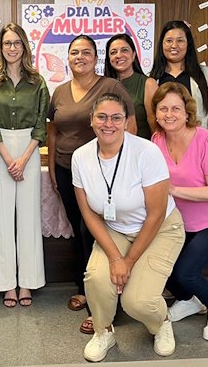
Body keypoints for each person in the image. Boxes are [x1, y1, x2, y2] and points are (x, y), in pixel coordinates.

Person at [73, 93, 185, 361]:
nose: (108, 123)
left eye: (116, 118)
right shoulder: (80, 157)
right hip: (116, 228)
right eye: (101, 117)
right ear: (91, 120)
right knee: (97, 279)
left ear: (126, 122)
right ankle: (103, 332)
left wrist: (128, 261)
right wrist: (115, 258)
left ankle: (161, 323)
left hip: (160, 229)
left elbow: (156, 215)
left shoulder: (146, 152)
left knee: (137, 302)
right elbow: (89, 214)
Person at [48, 34, 136, 335]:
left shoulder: (111, 87)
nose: (80, 57)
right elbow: (53, 131)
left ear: (96, 58)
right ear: (68, 58)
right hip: (66, 169)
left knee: (97, 229)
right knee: (80, 229)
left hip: (101, 172)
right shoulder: (59, 91)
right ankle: (86, 285)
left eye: (86, 52)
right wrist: (52, 168)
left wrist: (124, 169)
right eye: (74, 52)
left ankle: (106, 294)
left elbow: (130, 127)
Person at [151, 82, 208, 342]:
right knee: (160, 264)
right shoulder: (156, 140)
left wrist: (174, 190)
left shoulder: (206, 140)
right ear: (155, 112)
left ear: (188, 112)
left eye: (176, 108)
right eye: (163, 108)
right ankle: (188, 301)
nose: (169, 114)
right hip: (180, 222)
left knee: (185, 272)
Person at [0, 23, 49, 307]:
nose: (12, 48)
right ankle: (6, 283)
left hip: (29, 150)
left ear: (24, 46)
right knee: (0, 219)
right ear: (1, 47)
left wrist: (23, 158)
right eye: (7, 43)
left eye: (17, 43)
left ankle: (27, 282)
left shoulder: (38, 82)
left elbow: (41, 125)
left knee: (29, 218)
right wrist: (9, 159)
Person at [151, 21, 208, 142]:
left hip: (199, 144)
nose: (174, 45)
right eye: (169, 41)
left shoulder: (205, 74)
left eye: (180, 40)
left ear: (188, 44)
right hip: (164, 146)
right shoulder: (152, 79)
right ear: (162, 44)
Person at [104, 33, 158, 139]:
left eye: (124, 50)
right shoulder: (104, 85)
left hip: (141, 146)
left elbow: (155, 126)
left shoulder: (148, 84)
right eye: (113, 52)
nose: (119, 55)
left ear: (133, 55)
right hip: (110, 146)